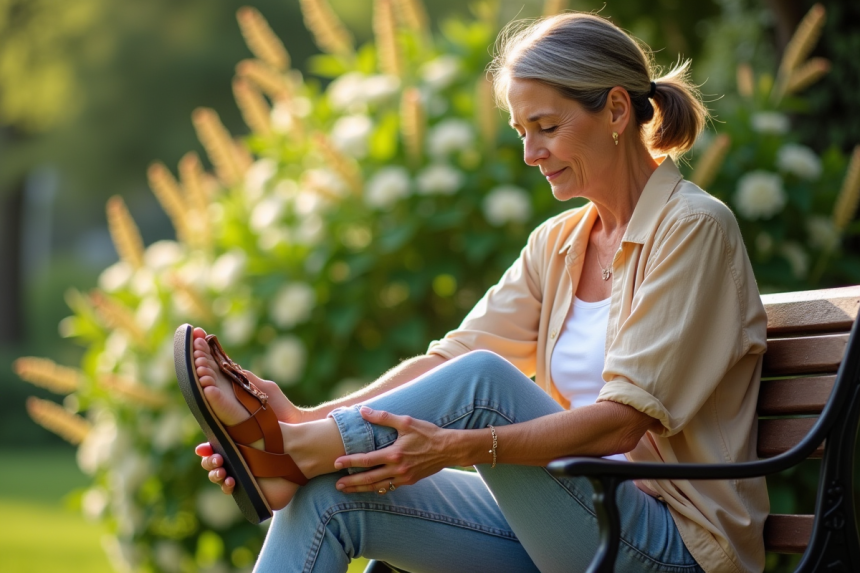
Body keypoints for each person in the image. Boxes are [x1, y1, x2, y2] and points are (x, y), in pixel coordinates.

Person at [189, 12, 768, 573]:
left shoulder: (692, 227)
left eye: (547, 127)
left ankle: (290, 453)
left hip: (672, 545)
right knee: (329, 499)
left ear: (616, 109)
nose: (529, 153)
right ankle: (295, 447)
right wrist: (312, 414)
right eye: (522, 132)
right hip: (573, 522)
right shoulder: (561, 242)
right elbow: (450, 359)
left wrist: (461, 448)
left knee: (485, 384)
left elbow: (620, 423)